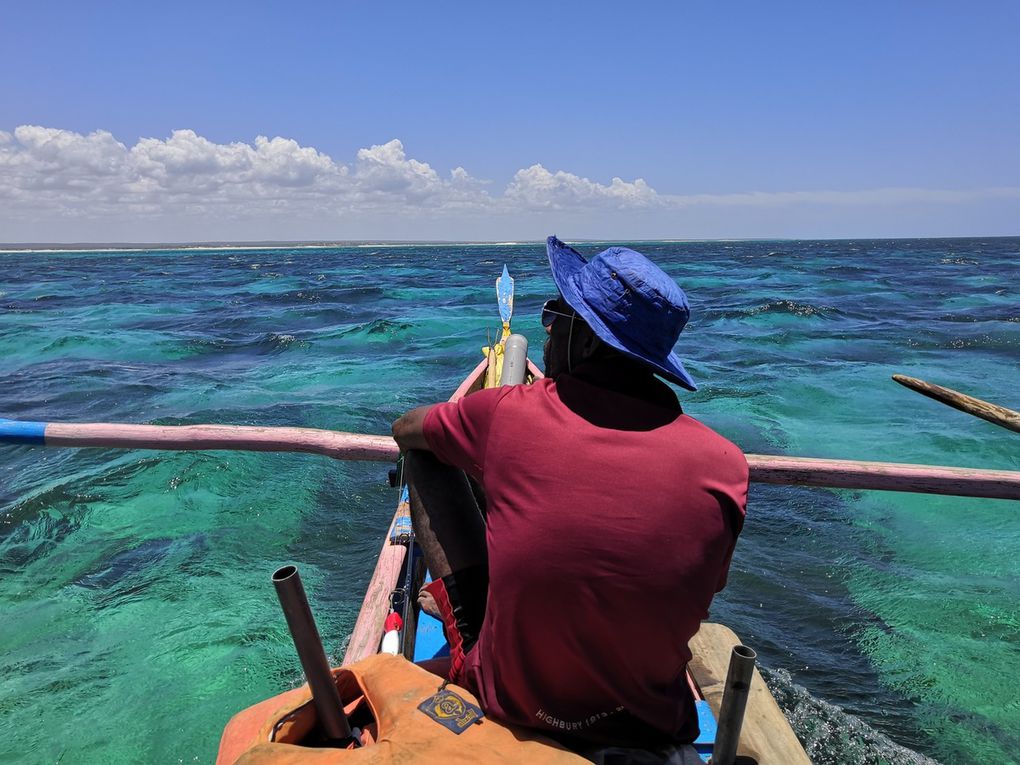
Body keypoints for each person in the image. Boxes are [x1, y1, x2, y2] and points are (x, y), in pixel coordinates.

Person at [391, 236, 748, 755]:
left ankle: (465, 619)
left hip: (511, 700)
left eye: (554, 318)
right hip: (649, 722)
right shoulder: (725, 464)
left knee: (426, 452)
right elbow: (709, 583)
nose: (548, 332)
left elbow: (407, 429)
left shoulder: (507, 414)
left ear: (584, 342)